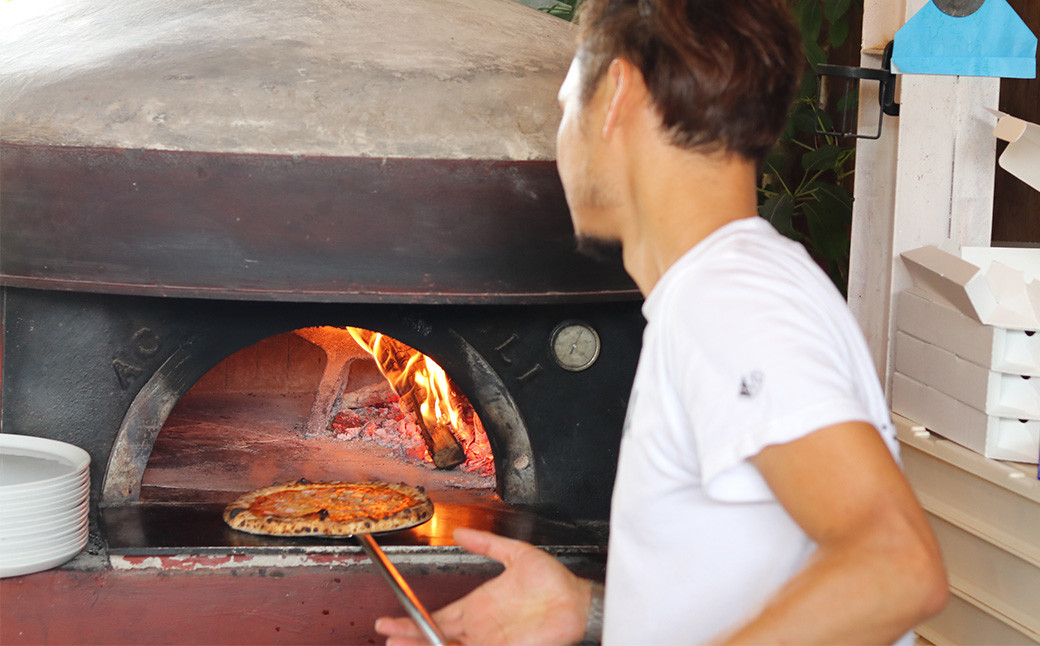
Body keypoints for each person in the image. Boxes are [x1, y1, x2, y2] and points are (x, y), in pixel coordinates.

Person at [376, 0, 949, 643]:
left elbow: (897, 565)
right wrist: (589, 612)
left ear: (617, 92)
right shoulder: (724, 290)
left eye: (567, 107)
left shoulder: (730, 297)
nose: (561, 139)